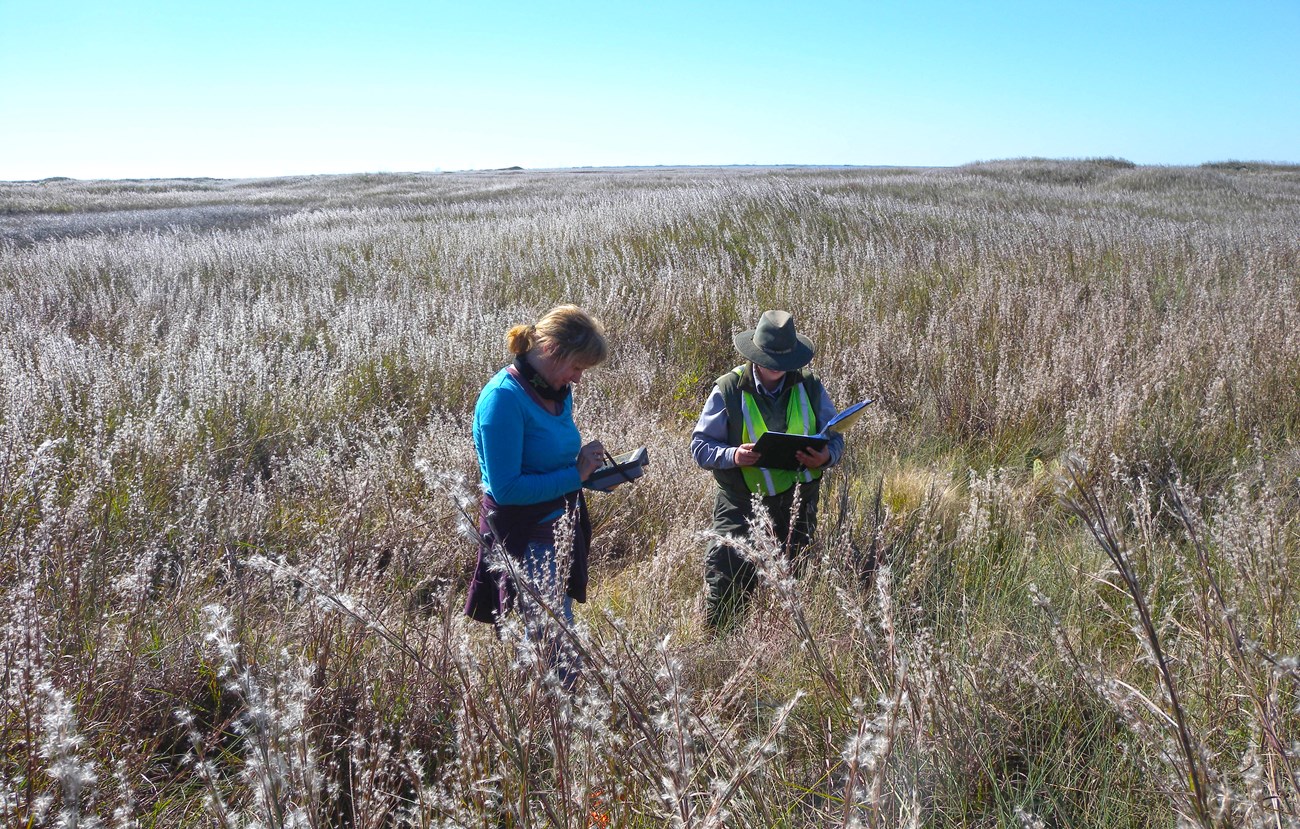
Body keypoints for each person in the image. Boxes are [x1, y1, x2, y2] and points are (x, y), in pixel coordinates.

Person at [464, 305, 609, 650]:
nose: (578, 378)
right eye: (576, 367)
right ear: (551, 351)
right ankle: (557, 704)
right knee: (557, 645)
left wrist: (591, 474)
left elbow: (550, 463)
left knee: (552, 638)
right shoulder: (503, 399)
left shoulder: (556, 392)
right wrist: (575, 475)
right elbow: (507, 488)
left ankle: (550, 702)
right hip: (528, 539)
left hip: (559, 531)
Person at [690, 310, 844, 630]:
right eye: (770, 361)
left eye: (784, 363)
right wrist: (733, 455)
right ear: (755, 355)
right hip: (740, 504)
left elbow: (835, 438)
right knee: (727, 581)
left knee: (791, 581)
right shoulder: (728, 389)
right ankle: (719, 649)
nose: (777, 369)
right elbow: (700, 448)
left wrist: (826, 457)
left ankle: (780, 648)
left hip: (797, 503)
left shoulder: (811, 387)